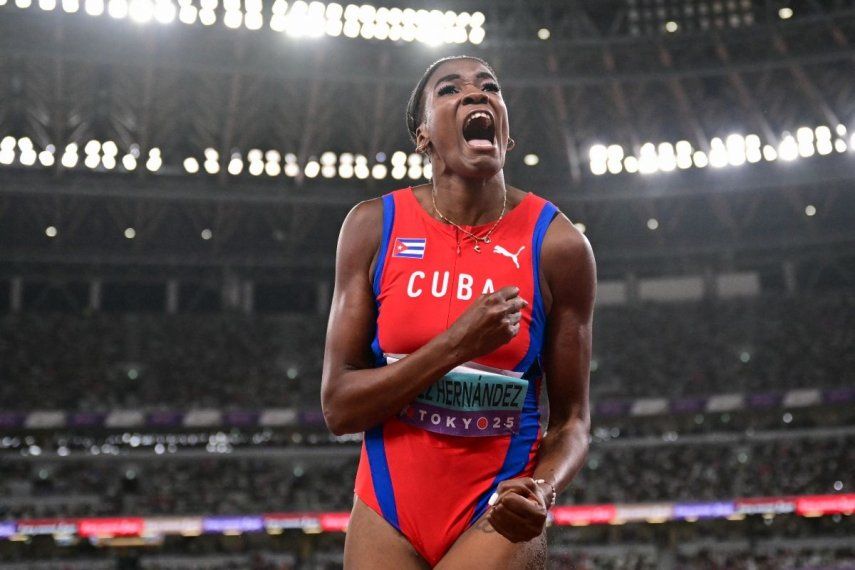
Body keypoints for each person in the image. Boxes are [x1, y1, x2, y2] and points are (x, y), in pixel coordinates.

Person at [321, 55, 595, 569]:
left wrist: (542, 487)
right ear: (423, 135)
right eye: (450, 90)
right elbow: (339, 407)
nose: (475, 94)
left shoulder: (558, 244)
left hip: (496, 509)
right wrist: (457, 345)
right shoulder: (372, 227)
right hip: (387, 508)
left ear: (506, 134)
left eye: (489, 86)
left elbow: (573, 420)